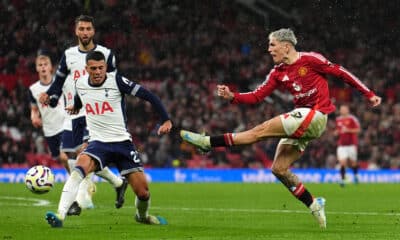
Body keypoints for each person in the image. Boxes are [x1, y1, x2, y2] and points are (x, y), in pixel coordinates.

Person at [180, 28, 382, 229]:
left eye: (272, 45)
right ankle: (314, 203)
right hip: (303, 120)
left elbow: (341, 72)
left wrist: (368, 93)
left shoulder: (310, 59)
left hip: (316, 115)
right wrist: (233, 96)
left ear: (286, 47)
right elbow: (256, 96)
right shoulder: (277, 73)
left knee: (257, 132)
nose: (269, 49)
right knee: (278, 169)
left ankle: (207, 142)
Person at [45, 51, 172, 227]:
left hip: (122, 143)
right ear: (86, 68)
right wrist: (76, 106)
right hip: (98, 143)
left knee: (143, 193)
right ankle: (60, 216)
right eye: (93, 68)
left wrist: (165, 119)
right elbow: (80, 98)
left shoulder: (117, 81)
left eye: (101, 68)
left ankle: (142, 217)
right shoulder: (80, 83)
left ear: (105, 67)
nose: (97, 72)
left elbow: (149, 95)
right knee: (78, 170)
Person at [39, 15, 127, 212]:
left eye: (88, 29)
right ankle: (117, 183)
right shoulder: (69, 55)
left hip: (97, 113)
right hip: (74, 113)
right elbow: (58, 83)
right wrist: (50, 96)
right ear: (76, 31)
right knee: (68, 156)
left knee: (83, 153)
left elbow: (116, 86)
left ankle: (77, 202)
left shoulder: (106, 54)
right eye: (82, 29)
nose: (85, 32)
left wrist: (118, 115)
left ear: (93, 31)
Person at [29, 52, 69, 170]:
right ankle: (75, 180)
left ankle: (79, 181)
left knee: (64, 157)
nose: (43, 67)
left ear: (51, 67)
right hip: (50, 130)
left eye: (45, 64)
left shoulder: (60, 83)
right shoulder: (33, 89)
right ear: (37, 68)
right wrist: (34, 117)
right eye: (40, 65)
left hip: (65, 124)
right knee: (62, 159)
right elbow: (34, 109)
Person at [335, 104, 361, 187]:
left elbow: (358, 130)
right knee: (343, 163)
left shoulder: (352, 119)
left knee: (353, 163)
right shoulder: (338, 120)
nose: (342, 111)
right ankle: (342, 180)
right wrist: (336, 132)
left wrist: (348, 130)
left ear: (347, 110)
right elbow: (339, 130)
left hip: (351, 145)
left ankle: (356, 176)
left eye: (344, 109)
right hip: (341, 145)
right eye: (341, 109)